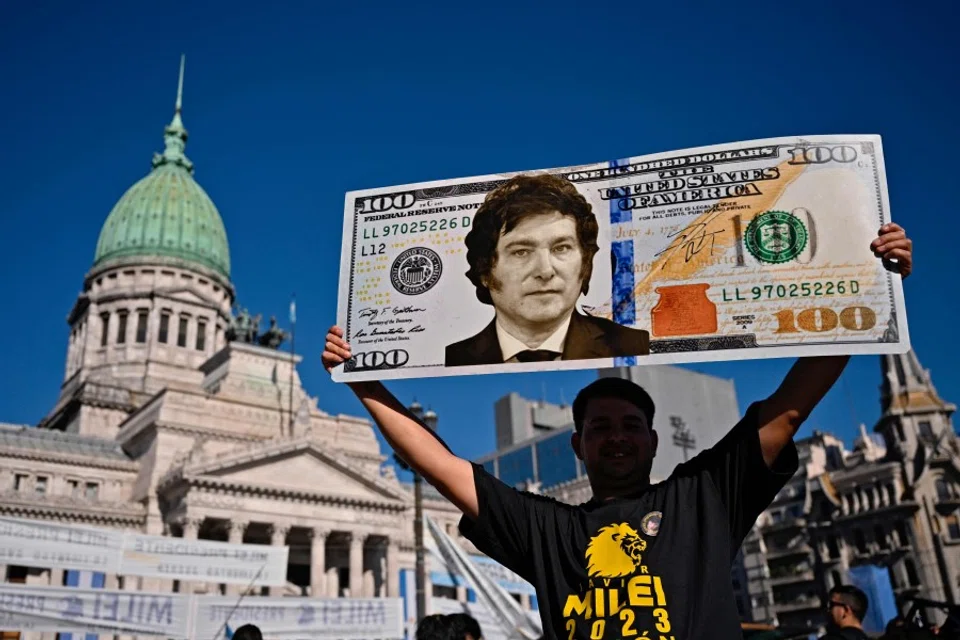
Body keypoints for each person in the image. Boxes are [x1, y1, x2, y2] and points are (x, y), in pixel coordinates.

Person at [324, 223, 912, 639]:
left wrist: (868, 283)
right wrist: (362, 380)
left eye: (632, 425)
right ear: (578, 444)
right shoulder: (547, 530)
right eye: (600, 427)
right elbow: (438, 465)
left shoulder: (701, 500)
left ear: (653, 440)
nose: (617, 437)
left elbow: (789, 409)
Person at [444, 174, 650, 366]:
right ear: (485, 271)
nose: (545, 271)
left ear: (585, 263)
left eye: (561, 248)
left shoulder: (635, 345)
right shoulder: (454, 358)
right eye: (521, 252)